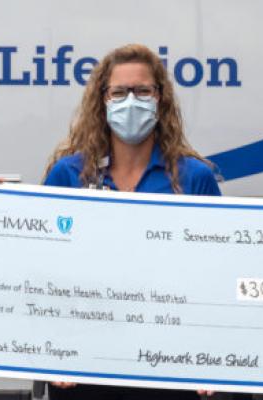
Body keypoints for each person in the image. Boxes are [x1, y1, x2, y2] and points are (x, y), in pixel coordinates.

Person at [43, 43, 220, 400]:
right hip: (82, 366)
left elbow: (214, 275)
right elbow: (42, 268)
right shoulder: (68, 173)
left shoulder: (194, 178)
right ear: (103, 99)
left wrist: (212, 357)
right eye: (119, 92)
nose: (131, 100)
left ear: (160, 98)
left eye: (142, 91)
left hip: (170, 366)